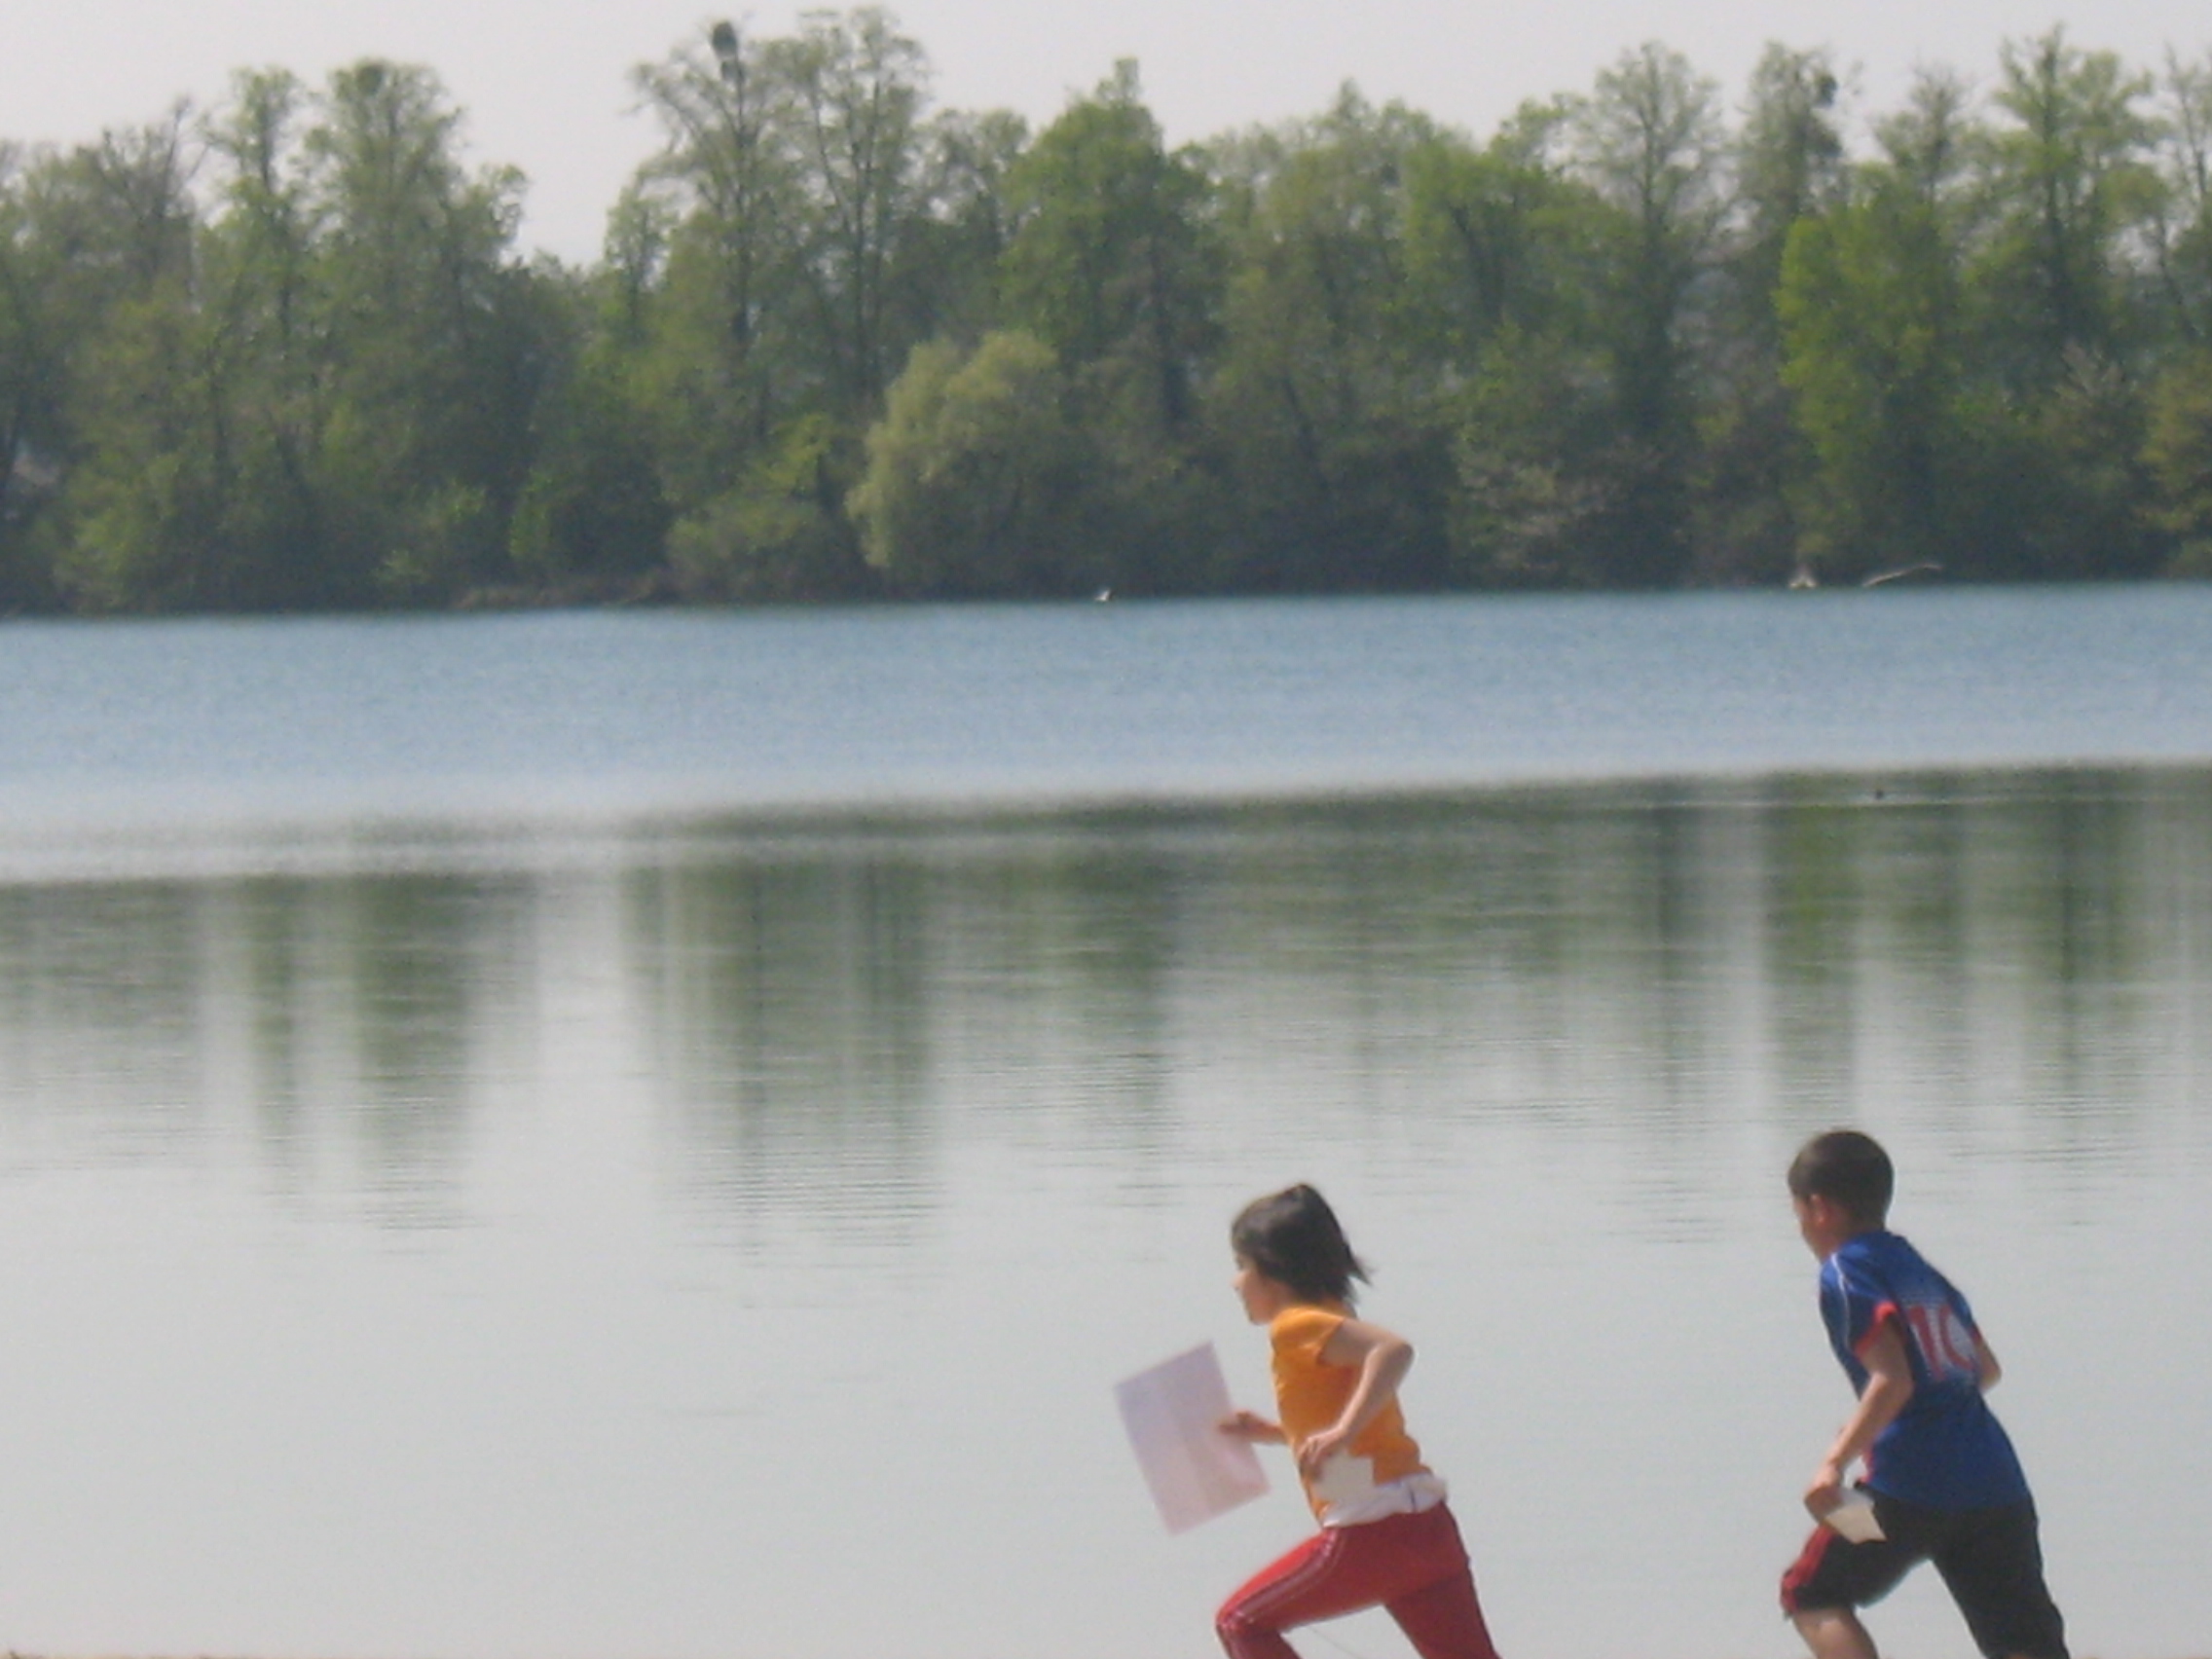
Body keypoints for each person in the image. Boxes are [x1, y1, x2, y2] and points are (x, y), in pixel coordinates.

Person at [1780, 1130, 2068, 1659]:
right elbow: (1982, 1369)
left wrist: (1832, 1464)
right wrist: (1871, 1422)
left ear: (1819, 1209)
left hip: (1904, 1491)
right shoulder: (1921, 1270)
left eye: (1797, 1211)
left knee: (1810, 1592)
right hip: (1996, 1487)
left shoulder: (1845, 1270)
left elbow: (1894, 1380)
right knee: (2024, 1641)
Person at [1215, 1184, 1503, 1659]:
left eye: (1242, 1265)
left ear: (1275, 1272)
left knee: (1241, 1623)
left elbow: (1393, 1350)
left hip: (1373, 1534)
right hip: (1428, 1529)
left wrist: (1342, 1430)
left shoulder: (1295, 1325)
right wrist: (1276, 1433)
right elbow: (1353, 1431)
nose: (1235, 1282)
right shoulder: (1333, 1315)